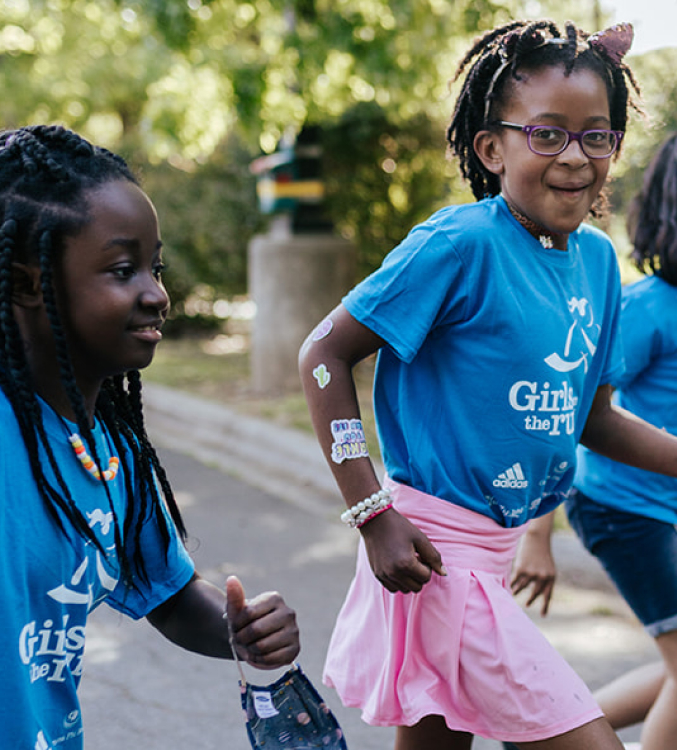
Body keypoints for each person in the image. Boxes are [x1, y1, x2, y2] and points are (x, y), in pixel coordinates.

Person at [298, 17, 672, 750]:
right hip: (435, 558)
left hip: (490, 562)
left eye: (597, 135)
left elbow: (592, 421)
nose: (575, 156)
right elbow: (322, 355)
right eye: (547, 133)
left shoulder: (598, 264)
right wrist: (371, 512)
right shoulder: (458, 243)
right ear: (491, 147)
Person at [0, 125, 299, 749]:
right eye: (123, 270)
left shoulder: (111, 451)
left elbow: (171, 594)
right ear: (26, 283)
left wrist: (238, 629)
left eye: (154, 268)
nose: (156, 294)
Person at [511, 133, 677, 750]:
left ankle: (551, 741)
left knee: (676, 661)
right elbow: (571, 415)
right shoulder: (648, 310)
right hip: (624, 509)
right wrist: (537, 538)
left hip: (664, 508)